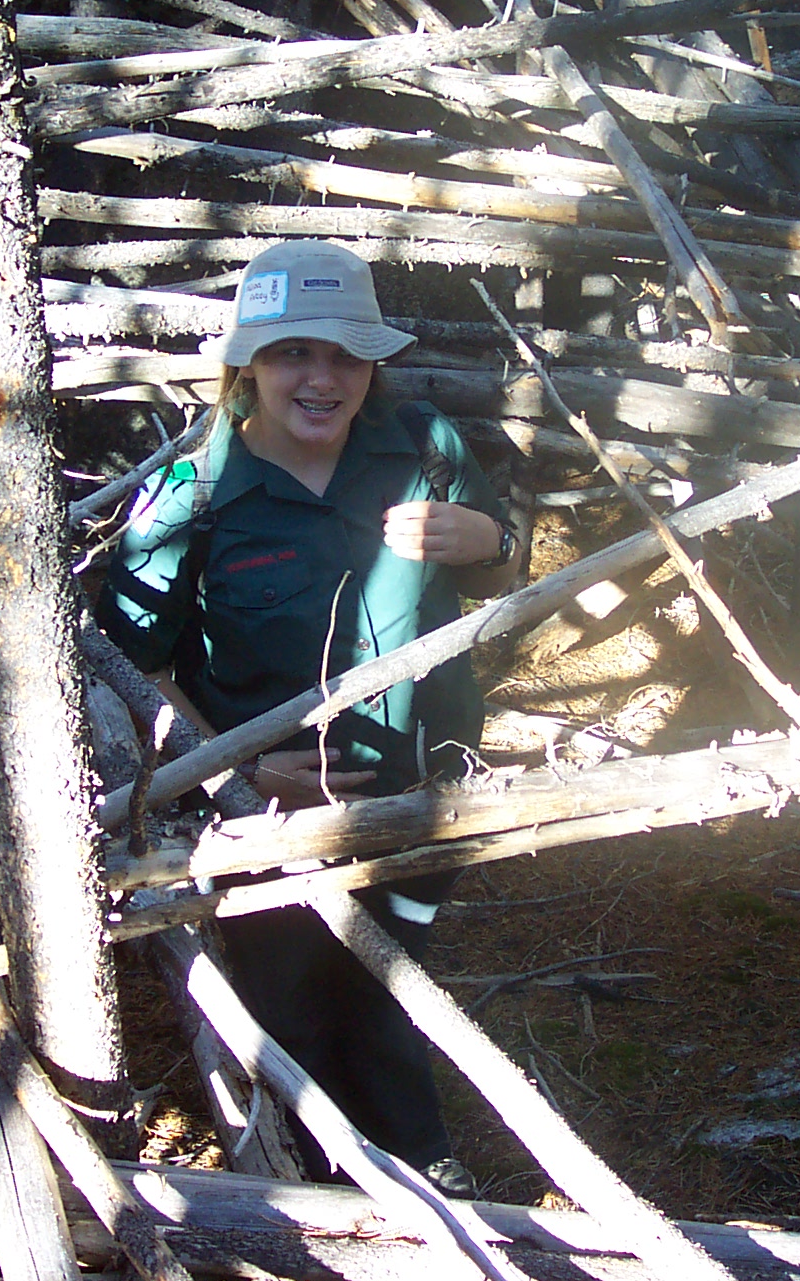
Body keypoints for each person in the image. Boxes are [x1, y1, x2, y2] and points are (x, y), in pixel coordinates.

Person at [95, 239, 514, 1197]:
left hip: (423, 784)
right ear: (247, 367)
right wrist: (235, 773)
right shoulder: (196, 498)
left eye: (346, 356)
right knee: (289, 985)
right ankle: (316, 1183)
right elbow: (126, 668)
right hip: (271, 811)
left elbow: (505, 557)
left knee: (391, 968)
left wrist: (487, 539)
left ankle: (413, 1156)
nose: (322, 379)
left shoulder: (422, 444)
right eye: (293, 353)